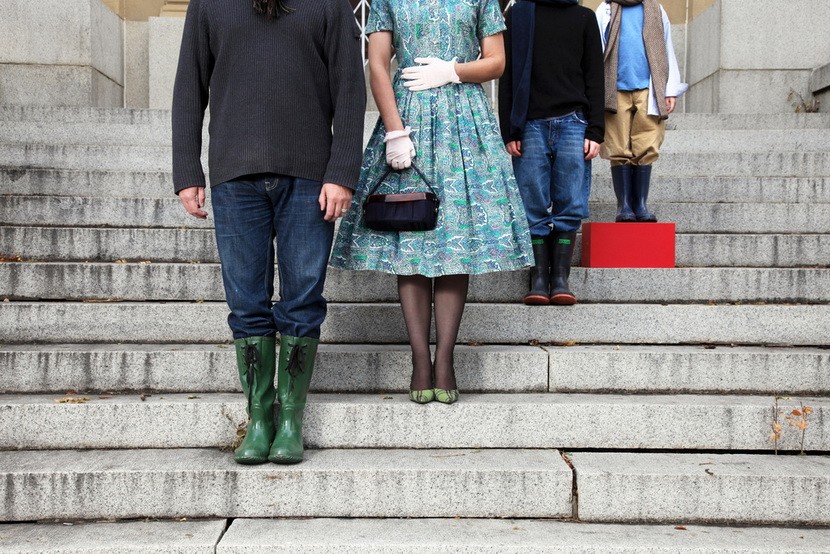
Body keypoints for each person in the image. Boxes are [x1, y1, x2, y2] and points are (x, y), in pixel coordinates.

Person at [172, 0, 365, 465]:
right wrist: (186, 171)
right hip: (234, 176)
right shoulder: (209, 5)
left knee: (303, 298)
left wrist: (342, 172)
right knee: (245, 302)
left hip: (309, 175)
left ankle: (291, 419)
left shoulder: (329, 4)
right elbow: (188, 88)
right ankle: (259, 418)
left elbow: (350, 89)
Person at [330, 0, 532, 405]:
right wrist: (394, 131)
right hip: (410, 119)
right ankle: (420, 359)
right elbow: (377, 63)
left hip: (466, 122)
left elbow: (496, 62)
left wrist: (454, 71)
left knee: (455, 239)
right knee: (412, 239)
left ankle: (446, 359)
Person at [499, 0, 605, 306]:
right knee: (531, 201)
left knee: (570, 201)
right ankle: (538, 278)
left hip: (574, 122)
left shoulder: (584, 18)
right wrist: (509, 130)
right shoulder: (519, 14)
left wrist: (595, 130)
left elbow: (595, 76)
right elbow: (508, 74)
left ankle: (560, 279)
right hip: (529, 124)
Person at [596, 0, 688, 223]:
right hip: (614, 88)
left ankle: (640, 204)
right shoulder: (605, 9)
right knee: (617, 145)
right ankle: (624, 205)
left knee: (647, 143)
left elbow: (666, 48)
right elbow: (597, 49)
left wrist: (669, 89)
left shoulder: (655, 8)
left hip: (648, 88)